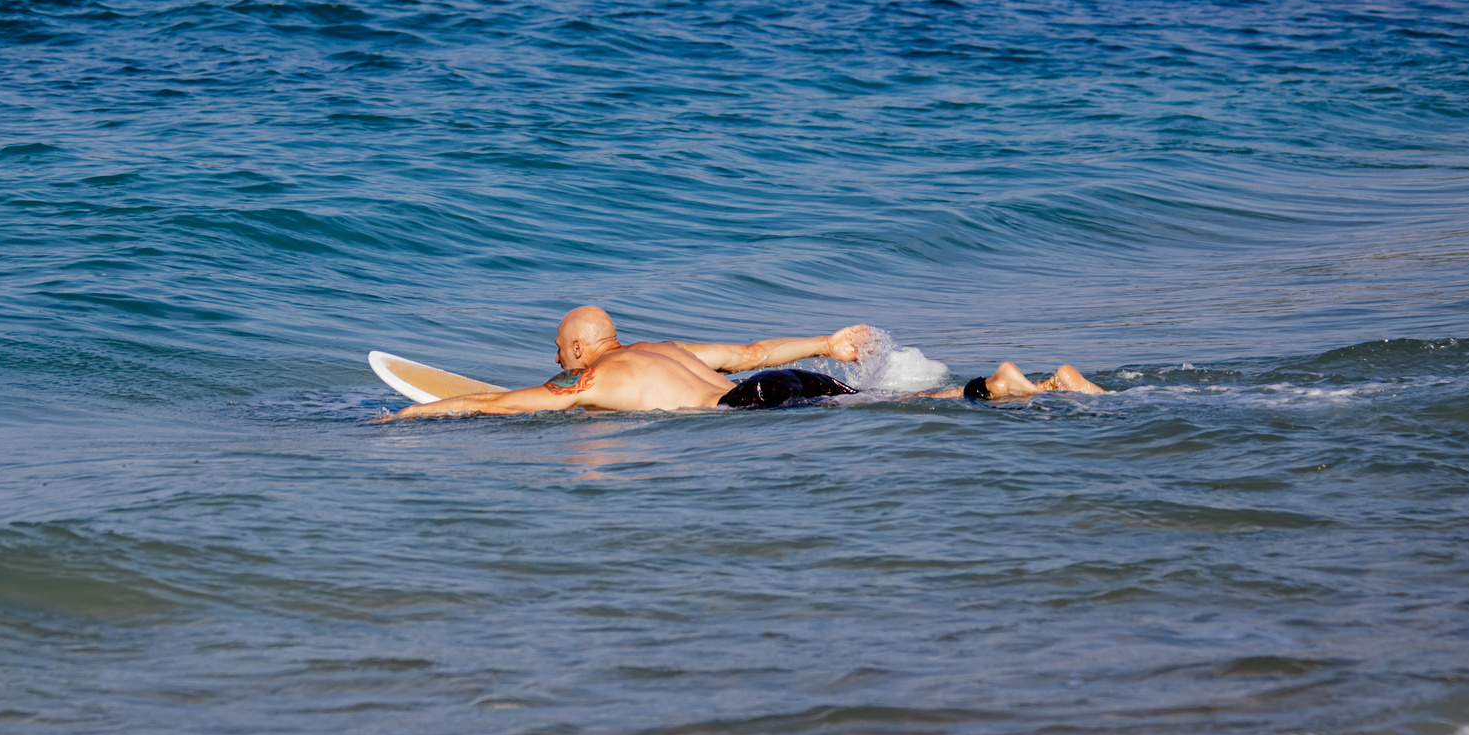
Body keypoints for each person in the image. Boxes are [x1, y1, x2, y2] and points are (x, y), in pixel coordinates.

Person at [386, 306, 1105, 419]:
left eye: (556, 351)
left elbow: (502, 404)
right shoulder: (663, 349)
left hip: (748, 404)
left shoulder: (595, 379)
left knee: (889, 410)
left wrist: (417, 416)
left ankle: (1009, 387)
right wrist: (825, 343)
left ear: (577, 351)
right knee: (884, 403)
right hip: (774, 380)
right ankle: (1031, 385)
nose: (554, 360)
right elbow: (752, 355)